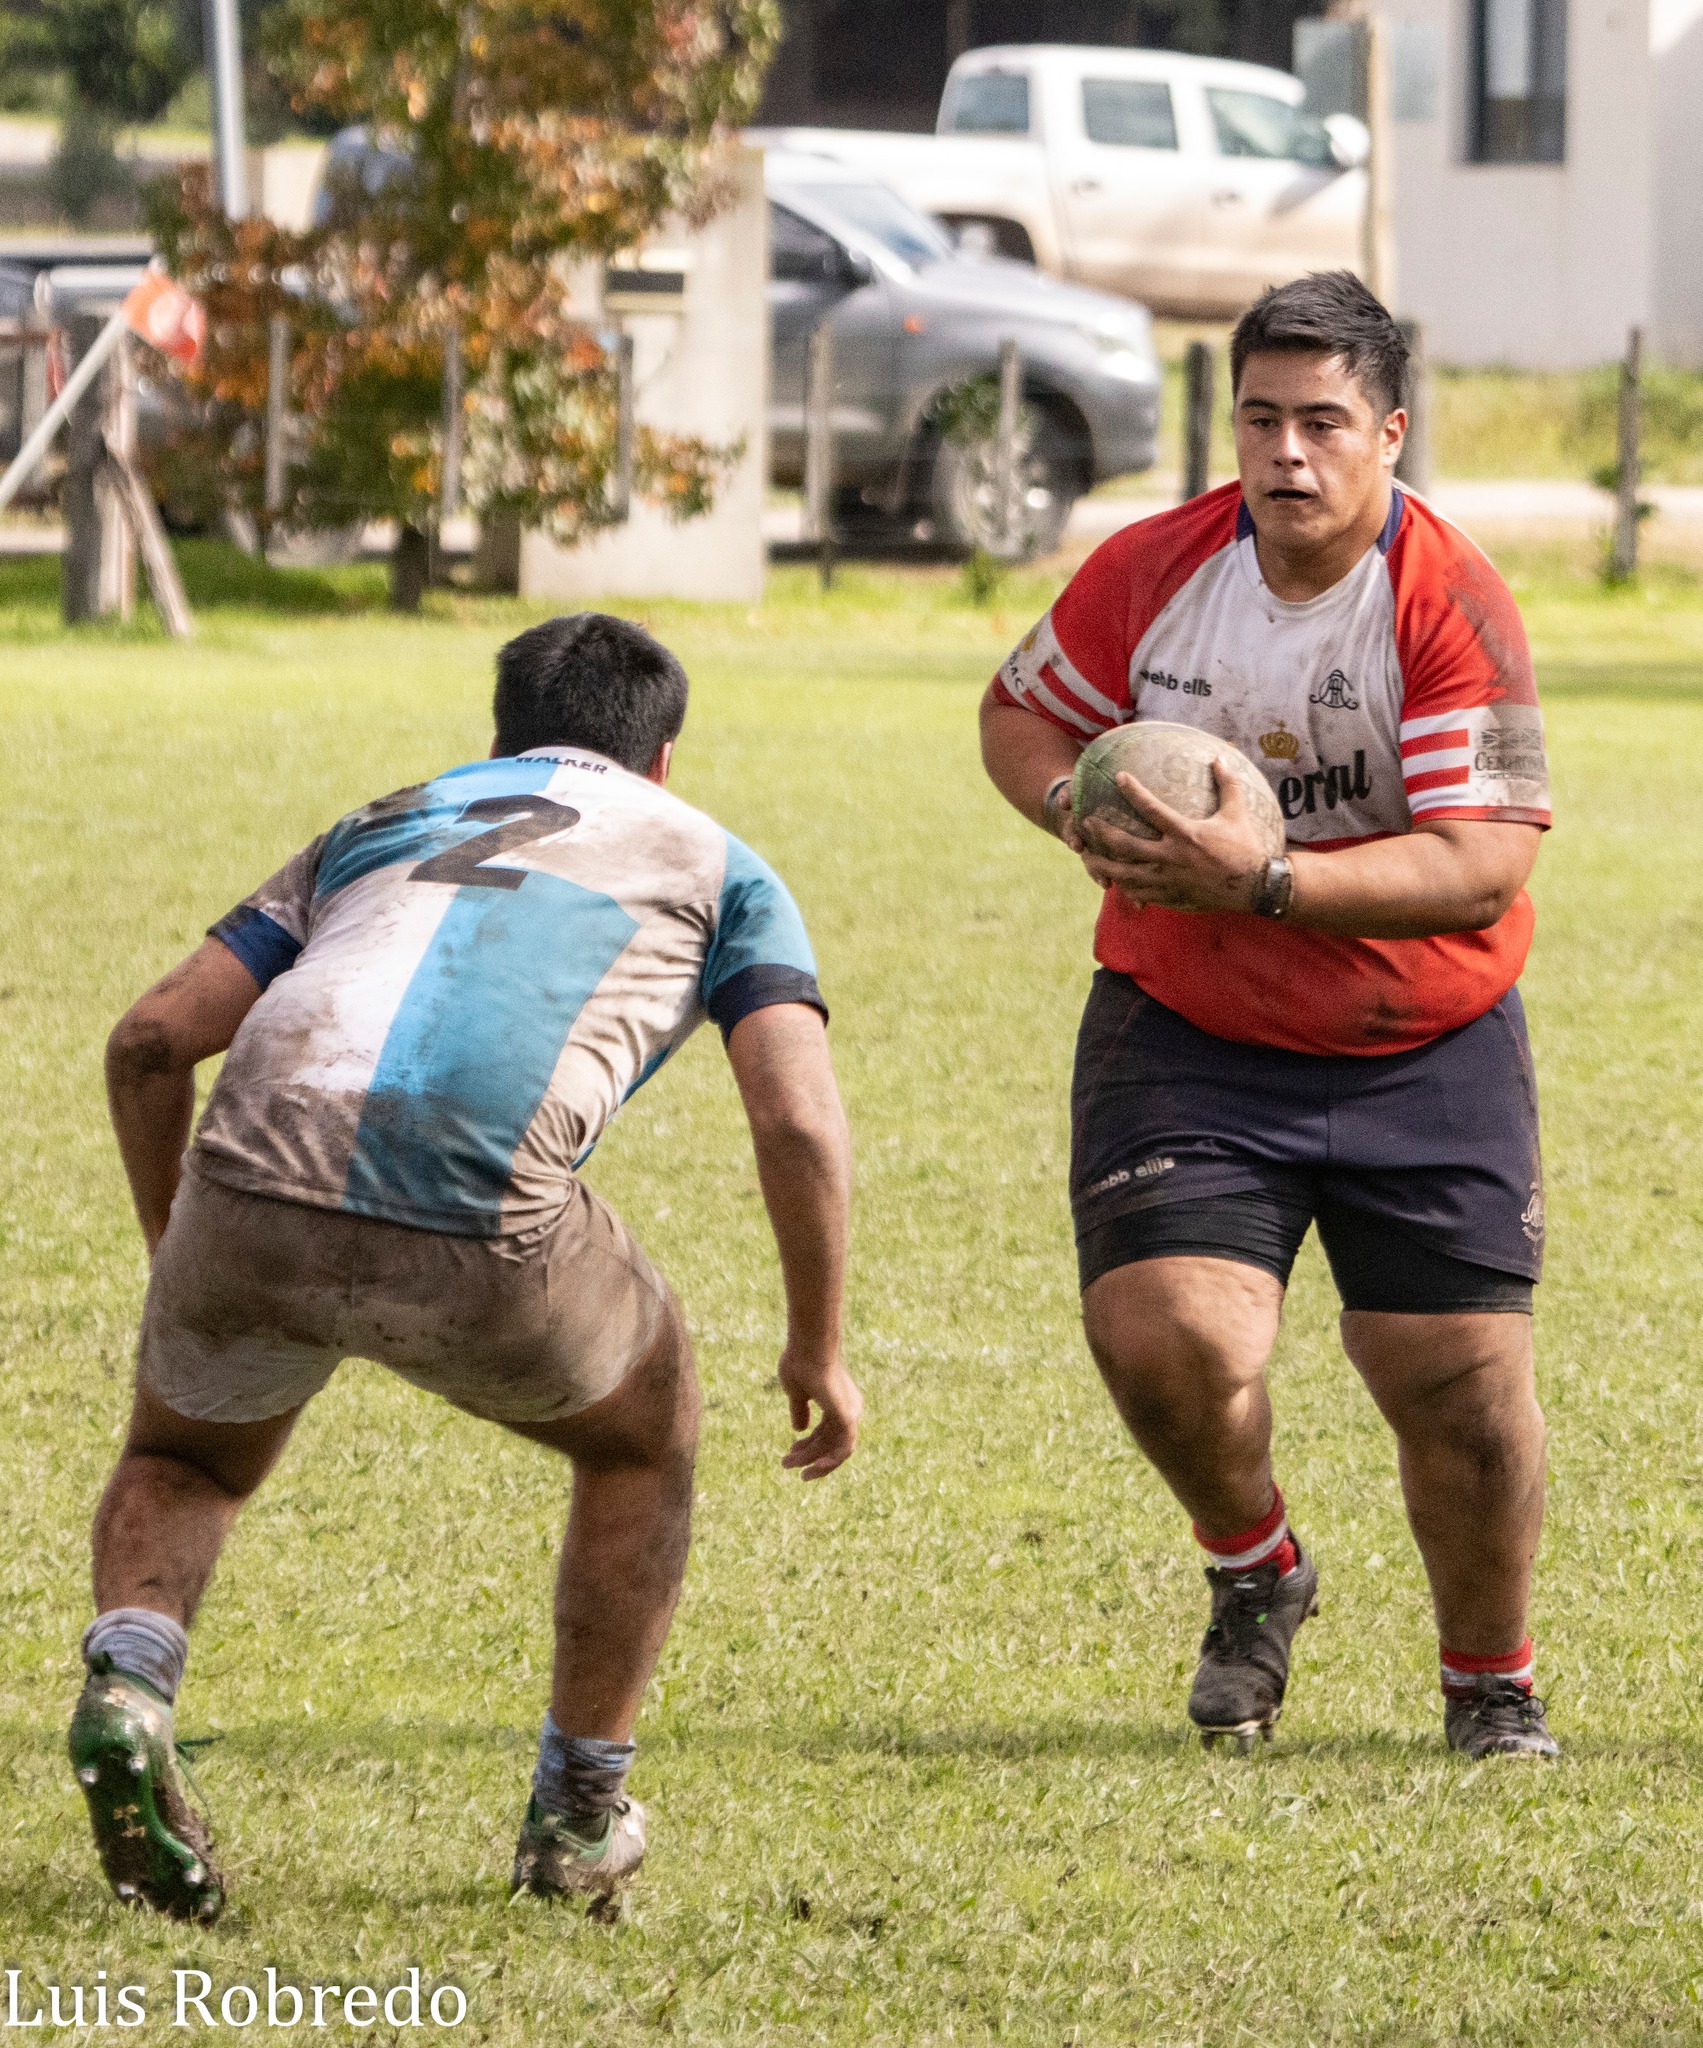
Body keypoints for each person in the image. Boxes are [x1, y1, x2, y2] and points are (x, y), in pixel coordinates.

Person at [73, 612, 861, 1924]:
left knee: (186, 1463)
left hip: (248, 1174)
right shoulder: (721, 861)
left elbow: (152, 1041)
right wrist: (817, 1342)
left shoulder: (382, 819)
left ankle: (130, 1689)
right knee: (643, 1437)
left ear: (494, 736)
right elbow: (795, 1115)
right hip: (479, 1206)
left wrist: (183, 1252)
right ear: (661, 760)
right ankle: (579, 1817)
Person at [980, 272, 1557, 1761]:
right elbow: (1018, 708)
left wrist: (1271, 878)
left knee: (1460, 1394)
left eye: (1323, 422)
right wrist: (1074, 804)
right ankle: (1257, 1574)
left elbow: (1485, 859)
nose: (1288, 453)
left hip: (1420, 1037)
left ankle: (1489, 1686)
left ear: (1389, 434)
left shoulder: (1450, 601)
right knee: (1167, 1339)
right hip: (1188, 1028)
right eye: (1260, 420)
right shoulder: (1152, 569)